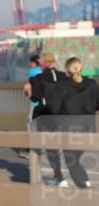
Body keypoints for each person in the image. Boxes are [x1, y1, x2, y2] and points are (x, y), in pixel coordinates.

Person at [49, 57, 98, 188]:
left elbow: (55, 108)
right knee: (75, 157)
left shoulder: (62, 86)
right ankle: (84, 180)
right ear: (81, 68)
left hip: (69, 128)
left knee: (70, 158)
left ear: (67, 70)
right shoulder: (92, 84)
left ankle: (83, 184)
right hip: (88, 128)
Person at [30, 52, 66, 185]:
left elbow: (35, 97)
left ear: (44, 63)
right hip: (62, 115)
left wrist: (29, 92)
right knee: (59, 146)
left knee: (44, 146)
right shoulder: (64, 76)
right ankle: (68, 175)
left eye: (40, 61)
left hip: (45, 115)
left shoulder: (39, 78)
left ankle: (58, 177)